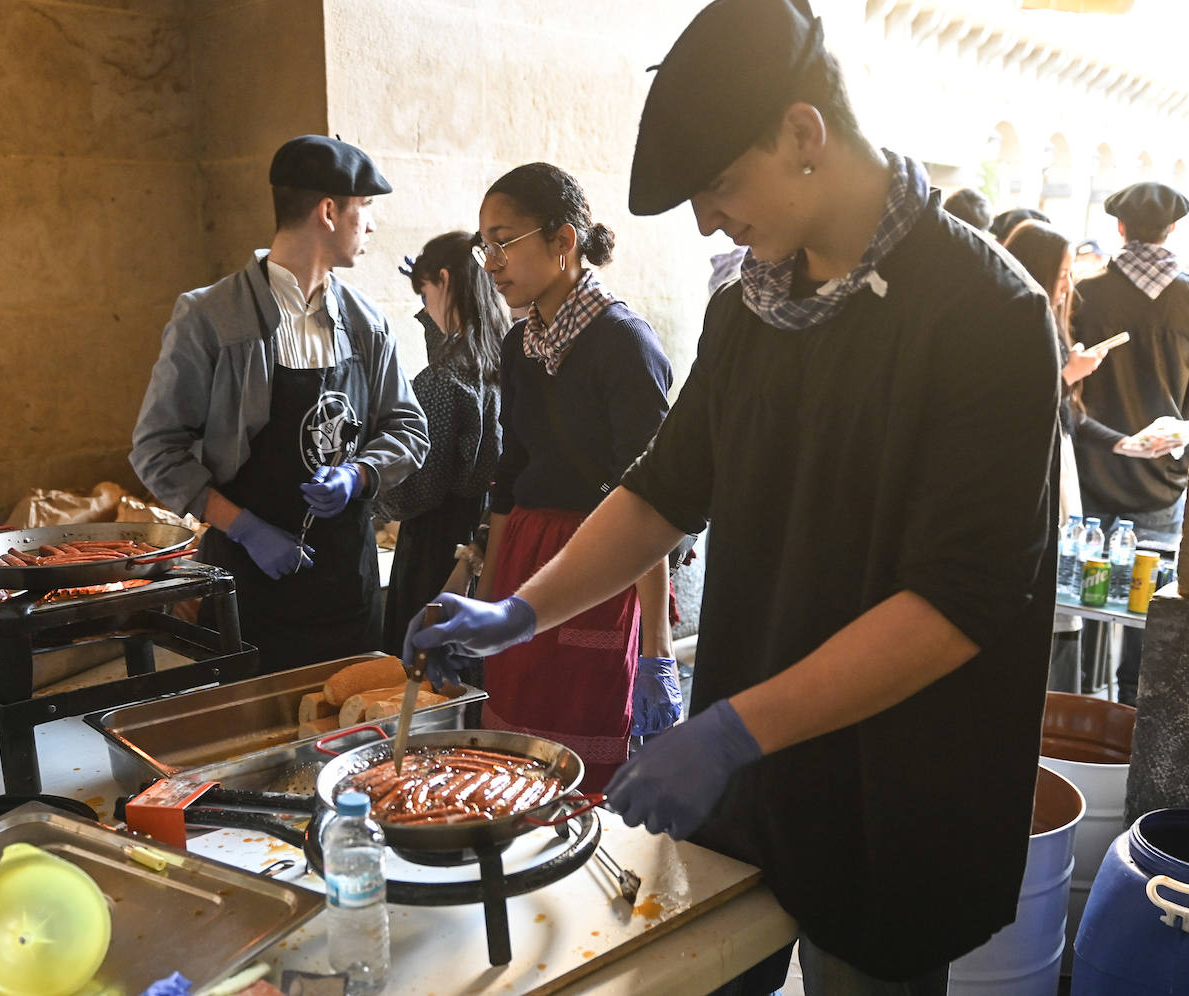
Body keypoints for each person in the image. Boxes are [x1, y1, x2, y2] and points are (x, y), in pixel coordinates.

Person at [404, 2, 1061, 991]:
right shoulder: (751, 305)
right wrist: (520, 610)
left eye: (718, 185)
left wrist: (732, 729)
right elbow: (664, 489)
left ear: (804, 134)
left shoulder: (986, 315)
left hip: (889, 786)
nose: (709, 220)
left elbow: (956, 605)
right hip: (750, 780)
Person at [131, 135, 429, 671]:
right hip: (250, 586)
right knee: (260, 737)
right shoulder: (211, 317)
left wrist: (358, 476)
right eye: (366, 210)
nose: (372, 226)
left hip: (347, 586)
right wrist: (245, 528)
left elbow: (409, 428)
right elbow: (157, 451)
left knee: (349, 736)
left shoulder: (366, 323)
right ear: (330, 211)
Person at [467, 161, 678, 791]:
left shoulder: (624, 344)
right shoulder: (519, 344)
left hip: (601, 568)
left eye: (504, 241)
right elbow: (510, 474)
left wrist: (656, 650)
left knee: (582, 763)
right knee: (513, 760)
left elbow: (650, 500)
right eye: (485, 247)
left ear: (563, 240)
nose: (492, 262)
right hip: (527, 563)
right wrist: (488, 597)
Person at [1072, 181, 1189, 704]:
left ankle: (1077, 705)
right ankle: (1130, 716)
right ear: (1172, 229)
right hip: (1163, 478)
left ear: (1120, 227)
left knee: (1078, 599)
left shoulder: (1086, 293)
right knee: (1147, 612)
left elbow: (1068, 387)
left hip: (1092, 472)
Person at [376, 232, 506, 656]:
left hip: (437, 543)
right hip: (487, 533)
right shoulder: (504, 360)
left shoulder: (440, 381)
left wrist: (371, 490)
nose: (425, 305)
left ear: (445, 281)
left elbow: (419, 489)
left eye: (425, 291)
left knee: (424, 662)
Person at [1002, 220, 1118, 691]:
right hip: (1035, 468)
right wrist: (1069, 374)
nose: (1069, 283)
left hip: (1061, 464)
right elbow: (1021, 405)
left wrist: (1122, 442)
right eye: (1063, 271)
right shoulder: (1012, 323)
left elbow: (1068, 415)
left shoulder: (1051, 322)